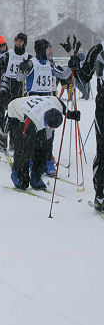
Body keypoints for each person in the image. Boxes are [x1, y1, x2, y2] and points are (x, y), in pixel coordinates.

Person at [18, 39, 72, 176]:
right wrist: (21, 67)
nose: (51, 52)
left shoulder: (51, 64)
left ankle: (47, 162)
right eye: (49, 49)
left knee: (49, 135)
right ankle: (31, 160)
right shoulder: (32, 63)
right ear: (42, 50)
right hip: (34, 102)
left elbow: (64, 75)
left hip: (48, 102)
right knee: (32, 135)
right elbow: (19, 78)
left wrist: (72, 66)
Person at [8, 95, 80, 190]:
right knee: (25, 148)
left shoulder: (56, 105)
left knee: (44, 147)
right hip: (16, 112)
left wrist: (71, 115)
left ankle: (36, 176)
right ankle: (19, 175)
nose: (52, 129)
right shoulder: (35, 120)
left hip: (39, 105)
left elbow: (63, 108)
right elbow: (25, 147)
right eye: (51, 126)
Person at [75, 41, 104, 211]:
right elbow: (85, 76)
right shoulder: (98, 50)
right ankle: (100, 194)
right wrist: (76, 65)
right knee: (102, 150)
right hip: (103, 104)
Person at [0, 33, 29, 151]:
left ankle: (14, 142)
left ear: (24, 43)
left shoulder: (28, 57)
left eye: (20, 41)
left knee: (16, 118)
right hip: (6, 89)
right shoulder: (8, 55)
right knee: (1, 116)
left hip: (20, 90)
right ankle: (2, 142)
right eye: (16, 40)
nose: (18, 43)